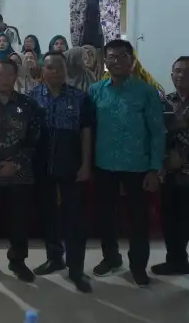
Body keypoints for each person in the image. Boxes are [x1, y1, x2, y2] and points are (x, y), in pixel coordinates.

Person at [89, 39, 165, 286]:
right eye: (112, 57)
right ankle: (111, 258)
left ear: (132, 61)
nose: (117, 61)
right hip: (104, 164)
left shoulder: (146, 92)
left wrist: (154, 169)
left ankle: (138, 266)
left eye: (123, 57)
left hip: (138, 166)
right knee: (105, 216)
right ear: (105, 61)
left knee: (139, 219)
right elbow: (88, 130)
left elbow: (157, 132)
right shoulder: (95, 91)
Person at [0, 59, 46, 283]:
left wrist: (16, 164)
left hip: (21, 173)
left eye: (8, 75)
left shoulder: (29, 105)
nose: (3, 79)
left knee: (19, 220)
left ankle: (18, 261)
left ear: (15, 77)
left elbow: (34, 140)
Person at [29, 53, 94, 293]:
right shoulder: (33, 97)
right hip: (42, 164)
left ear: (66, 70)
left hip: (71, 163)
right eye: (49, 67)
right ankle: (54, 257)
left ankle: (76, 269)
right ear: (42, 71)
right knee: (47, 213)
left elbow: (86, 132)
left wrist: (86, 164)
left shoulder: (80, 98)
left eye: (59, 67)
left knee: (74, 217)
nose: (54, 71)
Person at [154, 56, 189, 276]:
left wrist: (183, 158)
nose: (182, 75)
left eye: (187, 71)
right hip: (169, 172)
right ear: (171, 74)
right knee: (170, 219)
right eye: (178, 71)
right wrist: (167, 157)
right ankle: (176, 261)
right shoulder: (165, 102)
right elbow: (157, 134)